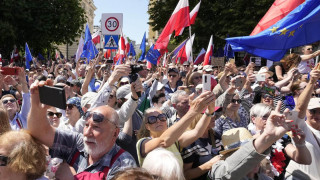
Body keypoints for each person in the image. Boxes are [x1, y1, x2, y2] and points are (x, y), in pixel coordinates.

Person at [27, 80, 136, 180]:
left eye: (96, 127)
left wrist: (73, 178)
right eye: (86, 125)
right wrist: (36, 101)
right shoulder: (78, 143)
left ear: (115, 133)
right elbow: (39, 132)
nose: (87, 133)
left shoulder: (124, 164)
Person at [208, 102, 295, 180]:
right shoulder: (218, 170)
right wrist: (267, 136)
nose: (255, 158)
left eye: (258, 154)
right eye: (264, 116)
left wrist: (300, 144)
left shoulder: (263, 178)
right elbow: (223, 175)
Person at [136, 91, 216, 167]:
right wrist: (193, 111)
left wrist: (210, 111)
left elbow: (197, 132)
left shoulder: (175, 141)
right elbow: (163, 141)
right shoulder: (143, 143)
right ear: (147, 126)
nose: (158, 121)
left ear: (166, 121)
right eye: (152, 119)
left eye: (161, 117)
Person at [249, 103, 311, 179]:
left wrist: (300, 144)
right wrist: (267, 134)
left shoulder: (282, 137)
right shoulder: (246, 136)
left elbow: (305, 161)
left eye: (271, 117)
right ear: (253, 119)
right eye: (265, 116)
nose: (269, 120)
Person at [285, 67, 320, 179]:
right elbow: (299, 108)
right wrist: (312, 81)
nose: (318, 115)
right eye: (313, 111)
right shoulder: (300, 126)